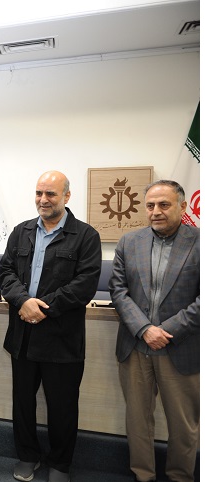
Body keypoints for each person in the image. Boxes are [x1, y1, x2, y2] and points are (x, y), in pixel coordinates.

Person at [0, 171, 101, 482]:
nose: (43, 200)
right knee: (23, 402)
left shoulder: (86, 236)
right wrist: (23, 301)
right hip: (23, 335)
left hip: (61, 338)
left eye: (51, 194)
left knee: (62, 406)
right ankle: (28, 456)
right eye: (39, 193)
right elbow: (5, 273)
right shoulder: (21, 231)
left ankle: (60, 464)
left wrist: (41, 307)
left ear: (66, 197)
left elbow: (84, 285)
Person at [109, 180, 200, 482]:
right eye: (150, 206)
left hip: (180, 349)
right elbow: (118, 290)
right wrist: (145, 329)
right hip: (135, 347)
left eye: (164, 205)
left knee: (183, 425)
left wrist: (166, 330)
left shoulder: (199, 243)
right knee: (137, 421)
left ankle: (180, 477)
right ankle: (143, 475)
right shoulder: (129, 242)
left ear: (182, 207)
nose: (156, 211)